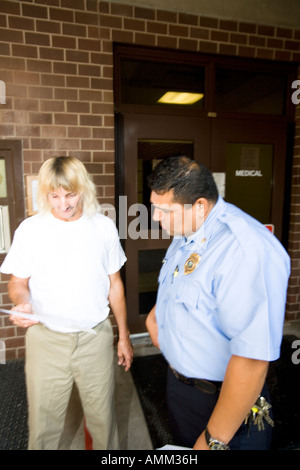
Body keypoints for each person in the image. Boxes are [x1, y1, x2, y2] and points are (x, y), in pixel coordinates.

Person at [146, 156, 290, 450]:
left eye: (164, 210)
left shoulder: (245, 249)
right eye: (154, 207)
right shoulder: (189, 229)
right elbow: (185, 284)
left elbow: (251, 361)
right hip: (182, 389)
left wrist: (214, 441)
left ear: (199, 205)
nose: (156, 218)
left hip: (226, 403)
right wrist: (157, 316)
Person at [1, 156, 133, 450]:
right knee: (43, 426)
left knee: (103, 422)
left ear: (83, 188)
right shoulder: (30, 230)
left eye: (71, 194)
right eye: (55, 195)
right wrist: (23, 303)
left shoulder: (103, 228)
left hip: (95, 339)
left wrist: (123, 336)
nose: (64, 204)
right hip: (47, 341)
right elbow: (17, 283)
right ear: (45, 194)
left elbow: (115, 286)